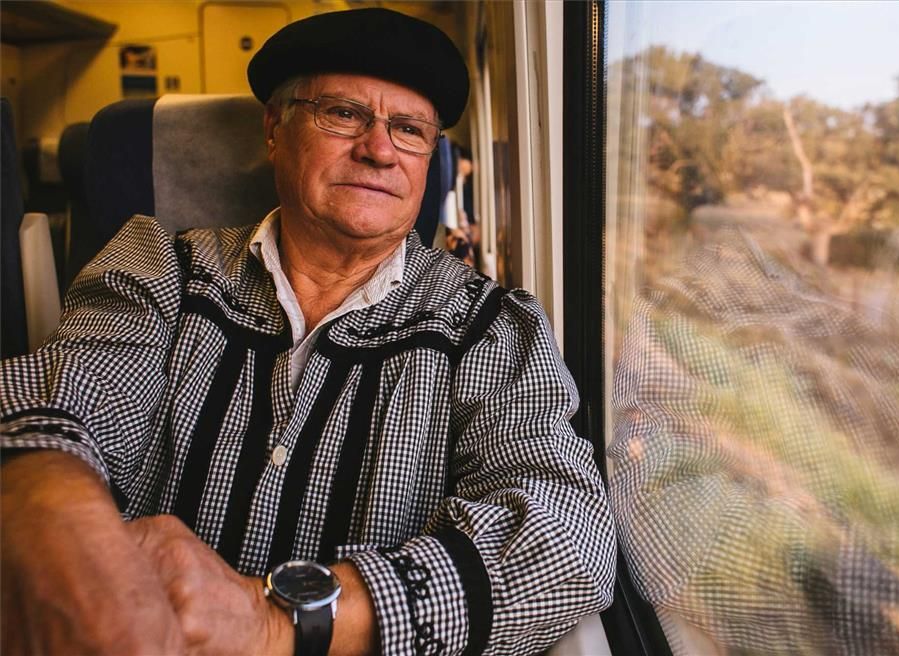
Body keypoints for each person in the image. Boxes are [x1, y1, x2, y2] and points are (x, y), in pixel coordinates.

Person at [0, 8, 615, 656]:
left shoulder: (489, 329)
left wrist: (280, 622)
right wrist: (68, 550)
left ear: (428, 159)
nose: (378, 149)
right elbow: (66, 404)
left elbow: (566, 535)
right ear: (274, 129)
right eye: (344, 114)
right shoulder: (160, 267)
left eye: (408, 130)